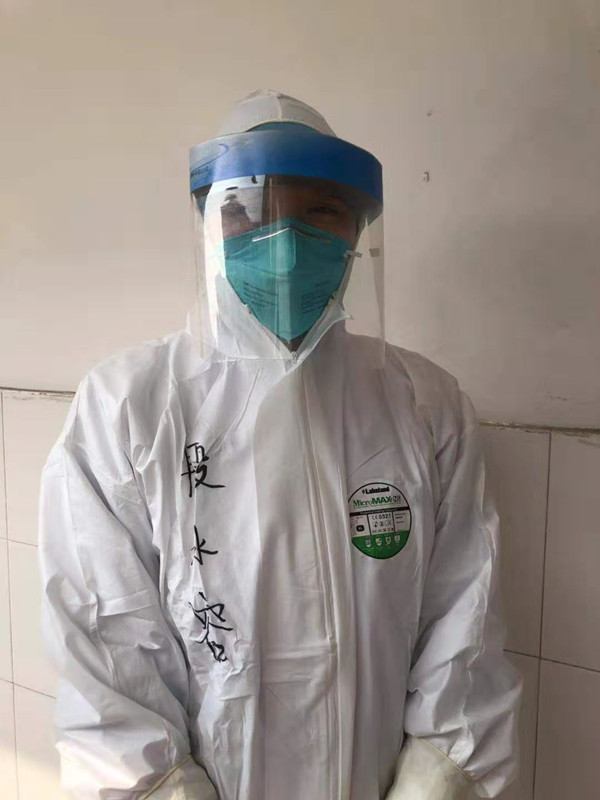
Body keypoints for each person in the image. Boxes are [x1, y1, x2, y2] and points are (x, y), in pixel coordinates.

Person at [38, 89, 522, 800]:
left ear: (358, 230)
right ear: (208, 225)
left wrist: (433, 789)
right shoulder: (129, 408)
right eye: (247, 213)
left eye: (321, 212)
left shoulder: (424, 404)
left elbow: (465, 632)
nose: (286, 244)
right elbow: (108, 660)